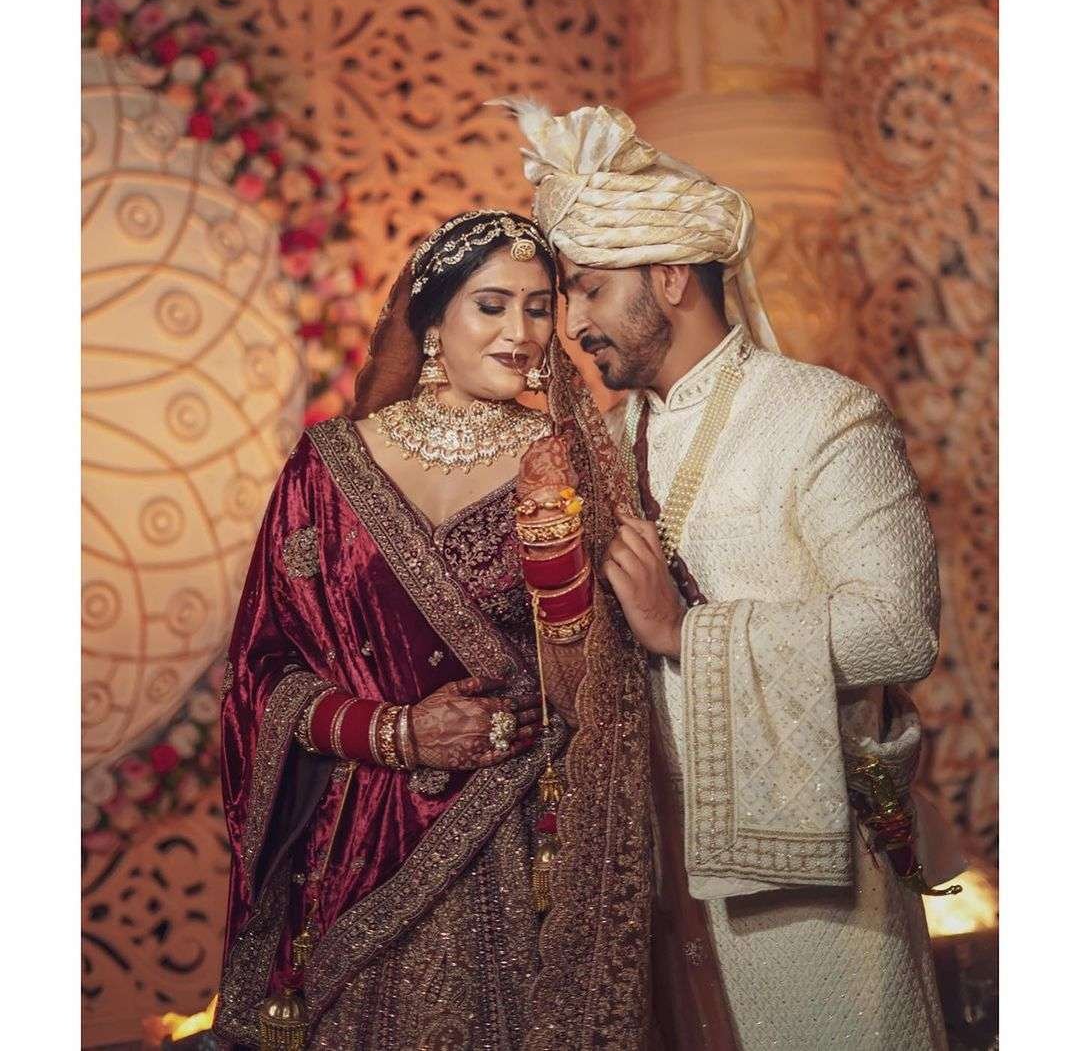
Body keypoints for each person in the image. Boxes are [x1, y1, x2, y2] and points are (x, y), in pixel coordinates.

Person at [495, 98, 960, 1051]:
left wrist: (686, 632)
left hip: (804, 875)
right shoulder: (607, 443)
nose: (572, 325)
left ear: (669, 277)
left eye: (590, 290)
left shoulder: (822, 416)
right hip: (652, 870)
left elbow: (899, 630)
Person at [214, 210, 652, 1051]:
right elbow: (260, 670)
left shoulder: (568, 461)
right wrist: (397, 731)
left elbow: (610, 685)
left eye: (538, 307)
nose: (521, 333)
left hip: (517, 836)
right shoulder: (328, 466)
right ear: (431, 322)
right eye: (492, 305)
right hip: (353, 841)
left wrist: (556, 553)